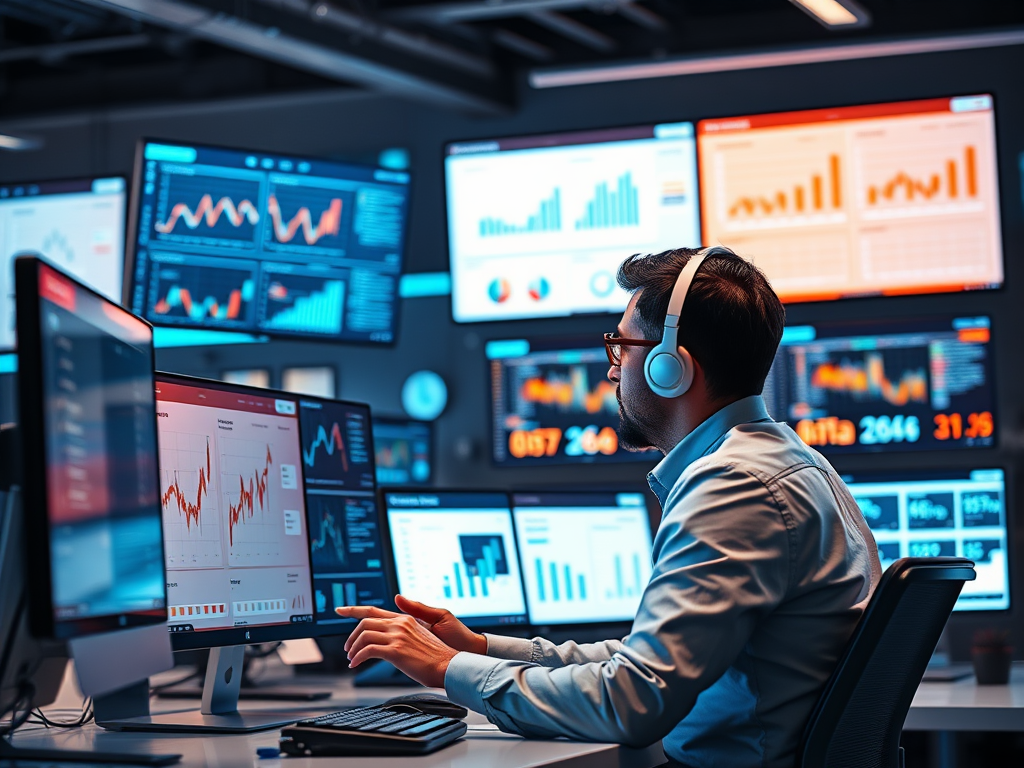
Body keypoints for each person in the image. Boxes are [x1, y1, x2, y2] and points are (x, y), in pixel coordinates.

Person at [336, 245, 880, 768]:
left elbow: (633, 701)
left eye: (622, 348)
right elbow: (647, 662)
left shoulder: (732, 485)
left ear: (672, 366)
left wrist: (446, 669)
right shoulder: (791, 462)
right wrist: (478, 647)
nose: (612, 370)